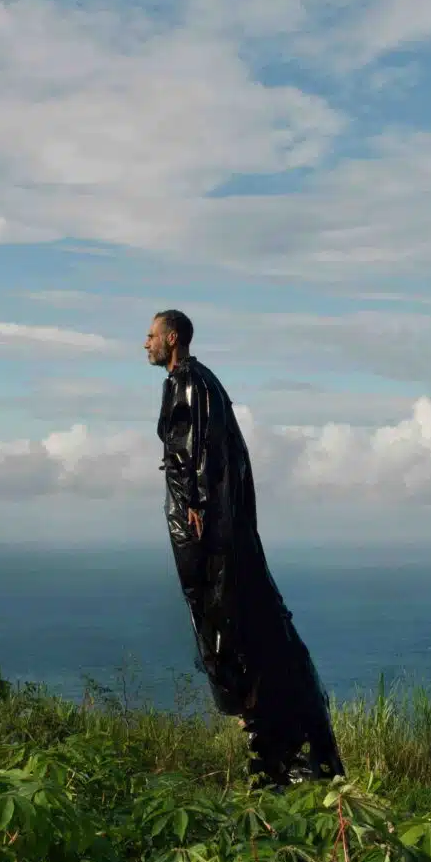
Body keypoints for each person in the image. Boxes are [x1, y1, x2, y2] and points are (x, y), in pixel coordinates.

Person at [146, 309, 345, 787]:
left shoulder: (190, 383)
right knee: (228, 618)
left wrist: (197, 503)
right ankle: (270, 743)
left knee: (226, 616)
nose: (145, 343)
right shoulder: (199, 383)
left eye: (151, 335)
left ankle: (273, 746)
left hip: (207, 525)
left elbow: (205, 449)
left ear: (172, 338)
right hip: (214, 525)